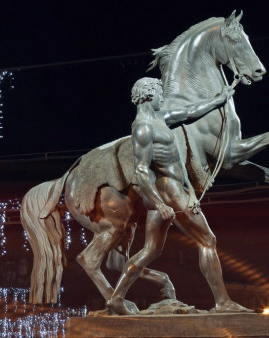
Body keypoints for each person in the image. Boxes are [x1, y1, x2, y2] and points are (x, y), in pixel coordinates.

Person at [106, 77, 251, 315]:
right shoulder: (143, 127)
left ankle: (116, 298)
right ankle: (223, 302)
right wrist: (160, 203)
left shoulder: (159, 118)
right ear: (149, 94)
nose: (162, 98)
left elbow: (189, 112)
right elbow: (141, 170)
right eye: (159, 93)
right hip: (170, 191)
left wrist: (220, 99)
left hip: (168, 192)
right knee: (207, 240)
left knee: (151, 250)